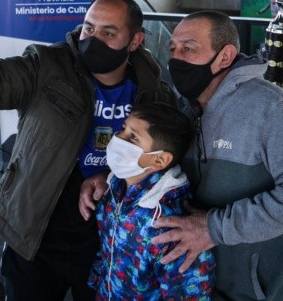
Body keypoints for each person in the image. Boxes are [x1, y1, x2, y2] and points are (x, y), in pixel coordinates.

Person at [0, 0, 176, 301]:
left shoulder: (153, 92)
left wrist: (109, 177)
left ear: (134, 41)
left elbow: (162, 163)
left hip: (109, 240)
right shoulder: (47, 64)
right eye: (88, 28)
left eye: (108, 32)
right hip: (37, 230)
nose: (93, 38)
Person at [152, 10, 283, 301]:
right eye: (173, 49)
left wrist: (213, 228)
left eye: (189, 48)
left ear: (224, 57)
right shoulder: (186, 110)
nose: (176, 58)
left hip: (262, 290)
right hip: (201, 282)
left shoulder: (273, 109)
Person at [87, 102, 215, 300]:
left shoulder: (171, 224)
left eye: (133, 137)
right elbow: (106, 252)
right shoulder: (113, 191)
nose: (119, 138)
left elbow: (188, 293)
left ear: (159, 160)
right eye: (123, 129)